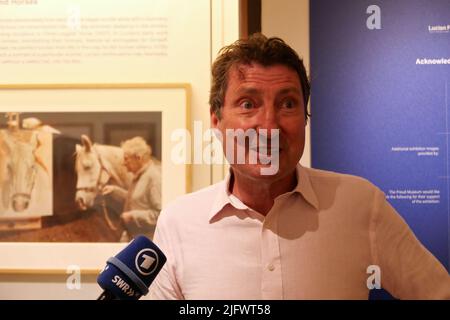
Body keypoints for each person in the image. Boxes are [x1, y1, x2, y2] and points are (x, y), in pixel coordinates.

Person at [149, 34, 450, 299]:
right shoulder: (178, 223)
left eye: (288, 104)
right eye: (248, 104)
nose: (268, 126)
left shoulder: (360, 205)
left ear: (305, 119)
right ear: (216, 120)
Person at [102, 136, 161, 241]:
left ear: (138, 158)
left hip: (148, 242)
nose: (123, 163)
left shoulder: (154, 178)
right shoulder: (140, 176)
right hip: (134, 238)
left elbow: (160, 214)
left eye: (126, 159)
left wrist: (133, 216)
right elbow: (137, 199)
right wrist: (115, 191)